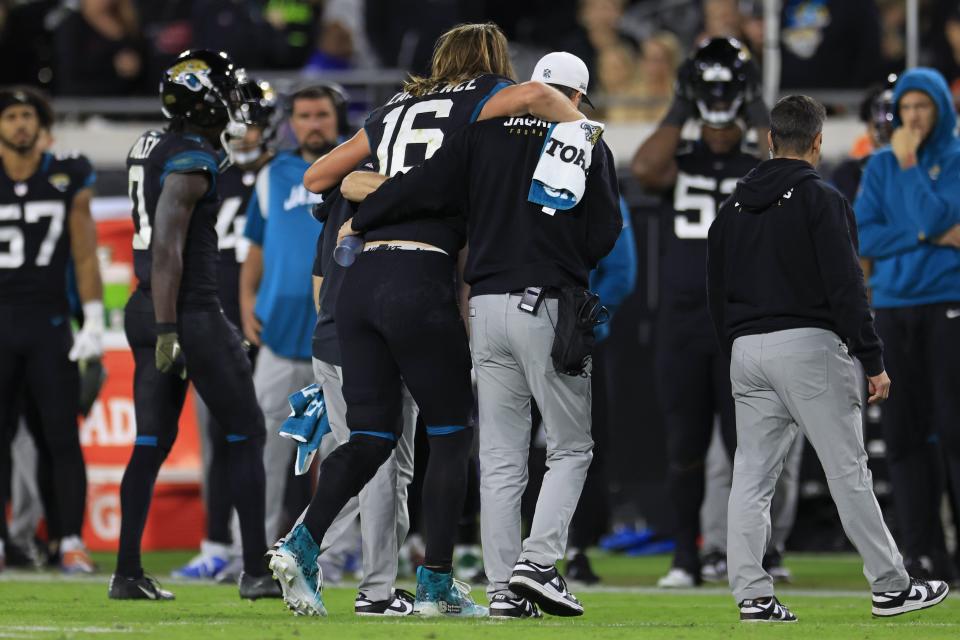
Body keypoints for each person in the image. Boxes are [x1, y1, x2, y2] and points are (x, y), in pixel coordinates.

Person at [270, 22, 587, 619]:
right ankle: (437, 581)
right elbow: (542, 95)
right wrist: (582, 134)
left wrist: (388, 186)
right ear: (493, 63)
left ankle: (300, 543)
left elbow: (318, 178)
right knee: (449, 432)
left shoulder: (396, 105)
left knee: (367, 437)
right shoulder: (484, 97)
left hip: (357, 285)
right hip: (419, 275)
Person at [340, 50, 622, 618]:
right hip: (546, 298)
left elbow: (420, 186)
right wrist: (562, 258)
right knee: (570, 446)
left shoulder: (480, 135)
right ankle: (538, 564)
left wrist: (361, 217)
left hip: (485, 307)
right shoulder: (587, 138)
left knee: (498, 456)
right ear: (577, 97)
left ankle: (501, 592)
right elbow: (605, 230)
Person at [708, 94, 948, 621]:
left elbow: (715, 288)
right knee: (847, 471)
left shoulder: (731, 207)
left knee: (750, 477)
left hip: (746, 350)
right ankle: (890, 585)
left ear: (769, 140)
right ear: (817, 142)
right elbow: (846, 285)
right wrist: (872, 357)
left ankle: (752, 595)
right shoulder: (822, 199)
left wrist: (736, 348)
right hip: (809, 347)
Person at [108, 49, 276, 601]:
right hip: (186, 312)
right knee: (246, 432)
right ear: (203, 99)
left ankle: (127, 574)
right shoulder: (191, 158)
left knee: (152, 440)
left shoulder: (153, 143)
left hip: (148, 307)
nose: (234, 103)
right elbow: (168, 248)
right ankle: (255, 570)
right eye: (225, 92)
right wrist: (168, 330)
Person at [631, 36, 768, 588]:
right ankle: (687, 557)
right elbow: (644, 169)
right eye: (704, 88)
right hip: (685, 323)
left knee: (750, 448)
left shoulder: (762, 163)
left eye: (725, 88)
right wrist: (680, 106)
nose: (716, 96)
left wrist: (758, 110)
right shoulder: (678, 157)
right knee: (684, 446)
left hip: (743, 320)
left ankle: (753, 555)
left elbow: (790, 164)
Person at [854, 67, 960, 583]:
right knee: (904, 436)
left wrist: (911, 163)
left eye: (924, 106)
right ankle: (922, 554)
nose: (914, 117)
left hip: (948, 304)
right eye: (907, 108)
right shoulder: (877, 166)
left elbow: (939, 216)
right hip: (894, 308)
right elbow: (866, 239)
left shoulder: (954, 161)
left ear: (940, 109)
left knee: (955, 430)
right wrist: (924, 237)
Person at [171, 79, 279, 581]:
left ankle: (278, 545)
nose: (243, 131)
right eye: (239, 121)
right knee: (219, 437)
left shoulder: (288, 178)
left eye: (252, 122)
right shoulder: (207, 172)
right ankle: (216, 542)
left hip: (274, 328)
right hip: (218, 323)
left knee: (283, 441)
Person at [0, 87, 103, 574]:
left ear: (40, 125)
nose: (20, 124)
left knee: (60, 437)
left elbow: (84, 251)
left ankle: (70, 540)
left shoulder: (67, 173)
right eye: (11, 116)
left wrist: (95, 316)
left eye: (27, 116)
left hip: (49, 321)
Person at [307, 162, 418, 615]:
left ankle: (307, 554)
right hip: (373, 344)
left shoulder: (353, 186)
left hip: (338, 339)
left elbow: (319, 281)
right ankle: (372, 588)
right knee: (375, 466)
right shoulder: (389, 184)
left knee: (382, 467)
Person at [238, 84, 343, 545]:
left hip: (342, 333)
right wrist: (245, 298)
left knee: (344, 453)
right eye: (304, 115)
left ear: (336, 117)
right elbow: (255, 245)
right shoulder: (272, 174)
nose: (313, 123)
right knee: (263, 451)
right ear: (291, 122)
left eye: (321, 114)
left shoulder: (359, 165)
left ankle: (339, 556)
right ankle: (251, 553)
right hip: (278, 335)